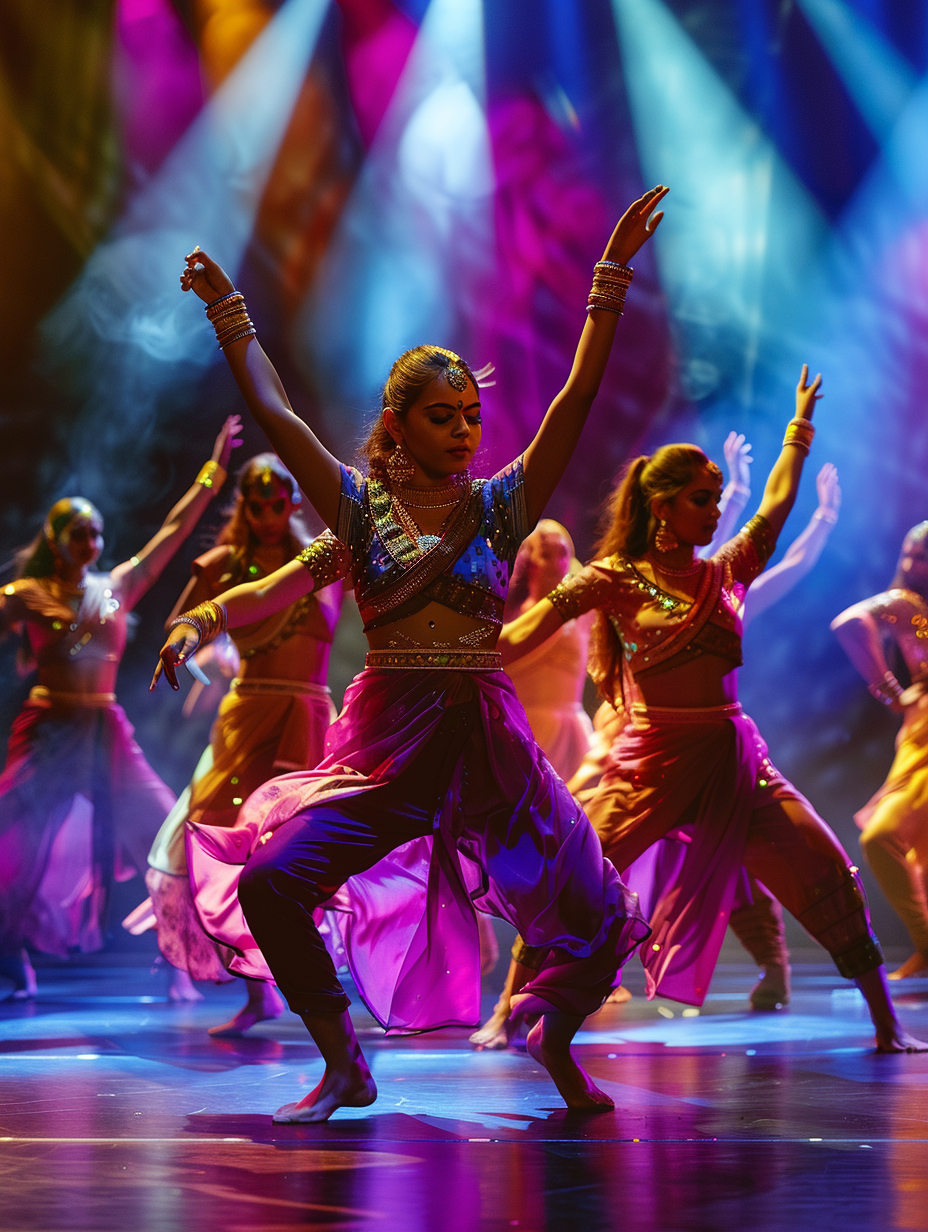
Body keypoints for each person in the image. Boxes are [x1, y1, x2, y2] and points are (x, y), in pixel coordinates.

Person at [154, 186, 669, 1119]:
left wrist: (611, 277)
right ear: (398, 425)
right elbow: (275, 414)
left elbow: (577, 395)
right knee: (272, 886)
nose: (466, 430)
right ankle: (344, 1063)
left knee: (597, 911)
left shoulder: (500, 506)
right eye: (443, 416)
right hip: (389, 755)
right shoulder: (356, 511)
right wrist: (229, 313)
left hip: (488, 751)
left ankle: (551, 1037)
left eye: (471, 415)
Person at [488, 367, 925, 1052]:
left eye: (718, 497)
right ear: (660, 507)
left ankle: (885, 1022)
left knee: (825, 866)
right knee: (573, 874)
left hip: (730, 758)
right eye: (701, 498)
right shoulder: (613, 579)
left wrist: (798, 429)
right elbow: (518, 636)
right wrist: (449, 646)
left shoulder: (726, 572)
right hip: (648, 764)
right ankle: (508, 1010)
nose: (716, 510)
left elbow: (776, 507)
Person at [0, 417, 241, 998]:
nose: (93, 545)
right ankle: (10, 954)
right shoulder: (25, 595)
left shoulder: (115, 586)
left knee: (164, 829)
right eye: (82, 534)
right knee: (15, 841)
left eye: (98, 534)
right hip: (50, 727)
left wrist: (213, 474)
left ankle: (178, 954)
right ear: (57, 541)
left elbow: (171, 534)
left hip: (105, 725)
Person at [129, 454, 345, 1036]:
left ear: (295, 501)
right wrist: (199, 651)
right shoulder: (224, 564)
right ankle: (257, 993)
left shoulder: (325, 557)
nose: (269, 513)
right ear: (243, 506)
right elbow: (185, 627)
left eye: (279, 502)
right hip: (246, 717)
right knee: (229, 848)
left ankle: (316, 989)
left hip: (306, 716)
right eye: (257, 503)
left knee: (303, 853)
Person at [832, 521, 928, 979]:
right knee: (886, 838)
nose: (912, 564)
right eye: (908, 554)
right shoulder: (908, 606)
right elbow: (850, 623)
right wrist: (889, 690)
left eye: (923, 555)